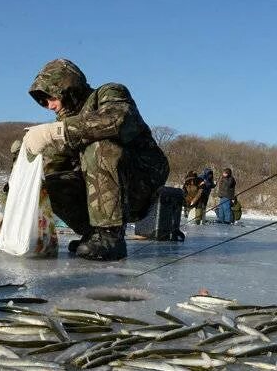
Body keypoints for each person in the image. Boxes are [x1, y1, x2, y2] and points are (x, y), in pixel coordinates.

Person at [22, 59, 169, 260]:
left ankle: (109, 235)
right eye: (43, 102)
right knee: (49, 183)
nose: (49, 106)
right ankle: (94, 234)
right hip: (102, 188)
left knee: (99, 144)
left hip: (140, 181)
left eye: (50, 97)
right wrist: (14, 207)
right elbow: (51, 165)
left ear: (67, 88)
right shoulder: (66, 123)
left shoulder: (109, 92)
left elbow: (118, 119)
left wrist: (56, 132)